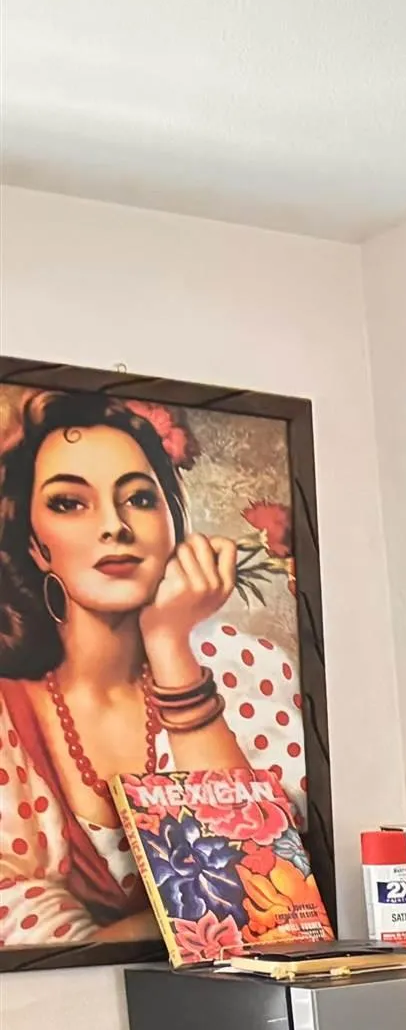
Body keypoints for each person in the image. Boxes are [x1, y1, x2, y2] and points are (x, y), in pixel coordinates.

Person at [0, 391, 304, 948]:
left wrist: (169, 646)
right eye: (70, 503)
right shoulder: (6, 719)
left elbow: (272, 894)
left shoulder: (245, 667)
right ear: (35, 546)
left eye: (139, 499)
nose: (115, 526)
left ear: (173, 522)